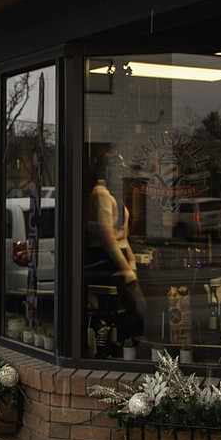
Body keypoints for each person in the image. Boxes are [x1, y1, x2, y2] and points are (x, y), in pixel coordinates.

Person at [85, 151, 145, 352]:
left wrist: (132, 262)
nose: (120, 172)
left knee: (139, 303)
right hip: (105, 259)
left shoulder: (112, 194)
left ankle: (122, 343)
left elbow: (122, 237)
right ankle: (118, 345)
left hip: (116, 259)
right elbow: (107, 236)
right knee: (137, 306)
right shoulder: (101, 194)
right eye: (116, 167)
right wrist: (125, 268)